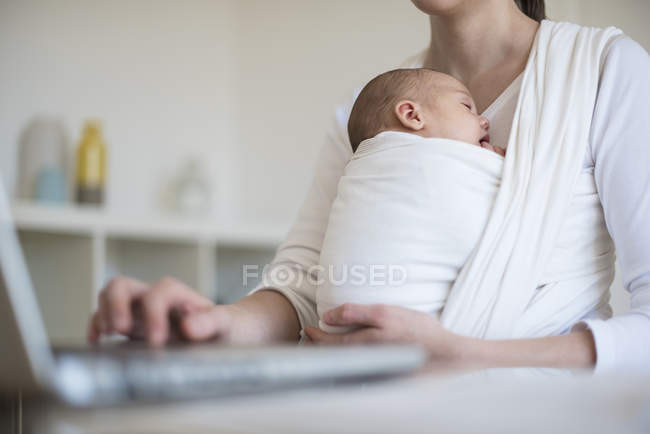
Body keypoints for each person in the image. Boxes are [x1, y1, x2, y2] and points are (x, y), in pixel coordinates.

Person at [88, 0, 650, 374]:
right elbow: (302, 291)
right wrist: (208, 323)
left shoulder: (603, 70)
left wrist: (464, 355)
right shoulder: (371, 114)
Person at [317, 67, 505, 335]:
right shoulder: (430, 163)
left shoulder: (363, 171)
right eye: (467, 107)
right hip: (408, 321)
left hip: (337, 323)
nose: (485, 121)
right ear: (412, 115)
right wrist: (503, 165)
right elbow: (521, 196)